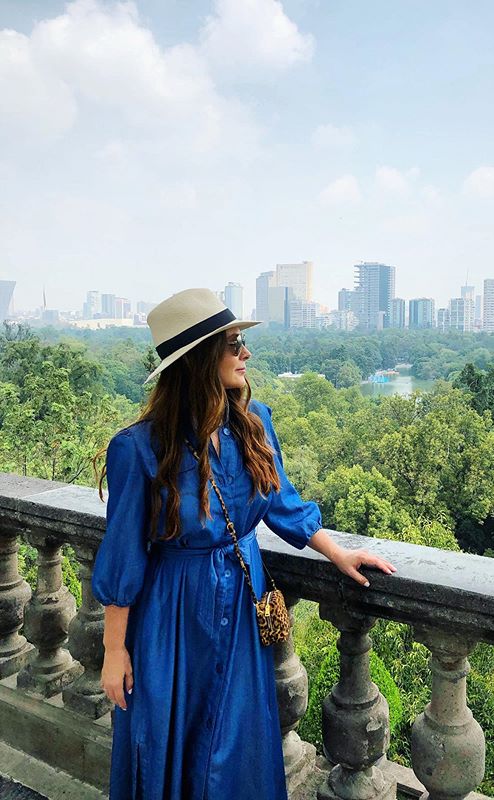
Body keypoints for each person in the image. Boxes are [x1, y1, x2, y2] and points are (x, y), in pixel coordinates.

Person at [91, 288, 397, 800]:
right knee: (172, 736)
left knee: (235, 745)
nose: (245, 354)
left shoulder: (253, 427)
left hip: (240, 605)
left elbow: (281, 503)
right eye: (233, 345)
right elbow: (123, 558)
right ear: (199, 361)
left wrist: (336, 550)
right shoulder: (139, 449)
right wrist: (114, 649)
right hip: (173, 616)